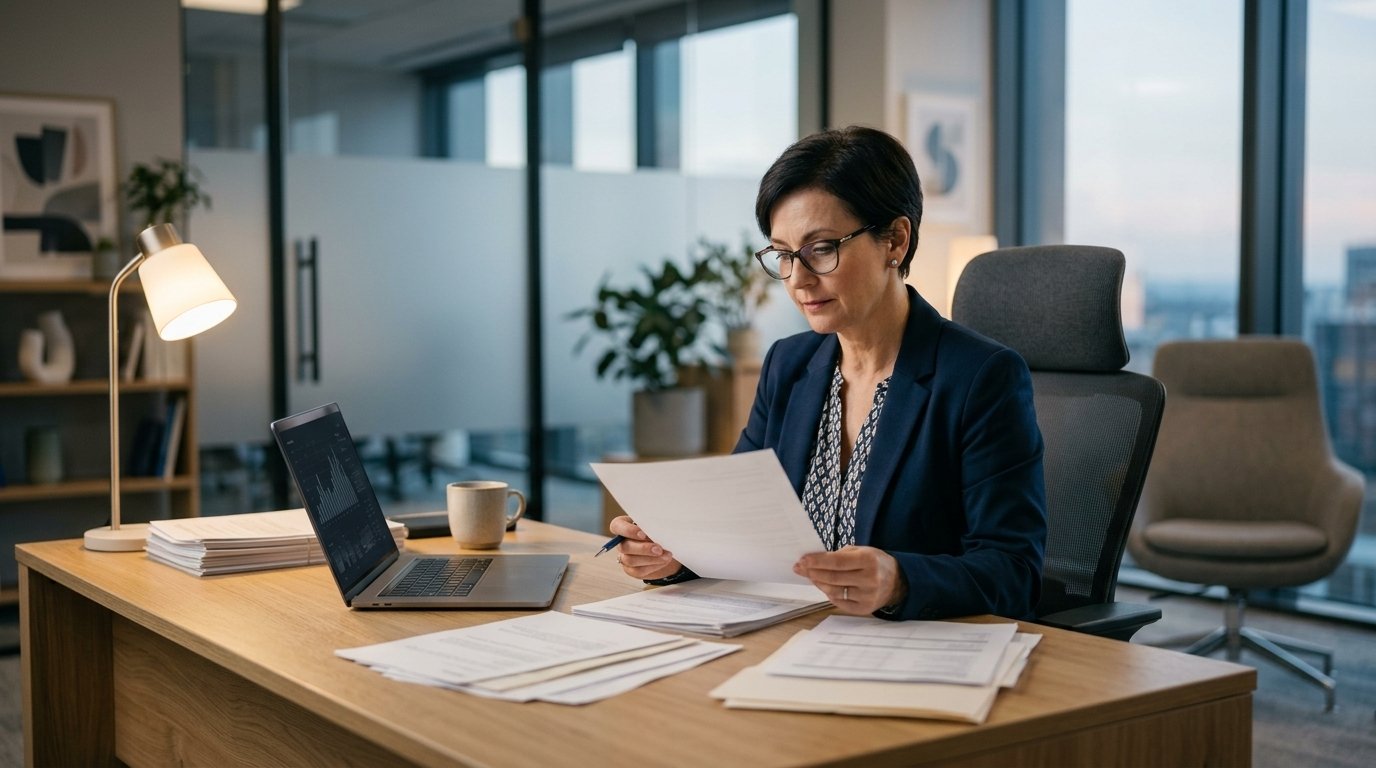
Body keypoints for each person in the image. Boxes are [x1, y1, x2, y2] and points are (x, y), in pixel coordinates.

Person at [610, 126, 1047, 621]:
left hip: (910, 652)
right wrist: (673, 557)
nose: (797, 278)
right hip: (788, 635)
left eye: (821, 249)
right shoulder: (788, 366)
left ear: (894, 241)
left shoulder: (980, 378)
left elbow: (1015, 571)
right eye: (783, 254)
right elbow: (737, 528)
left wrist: (901, 581)